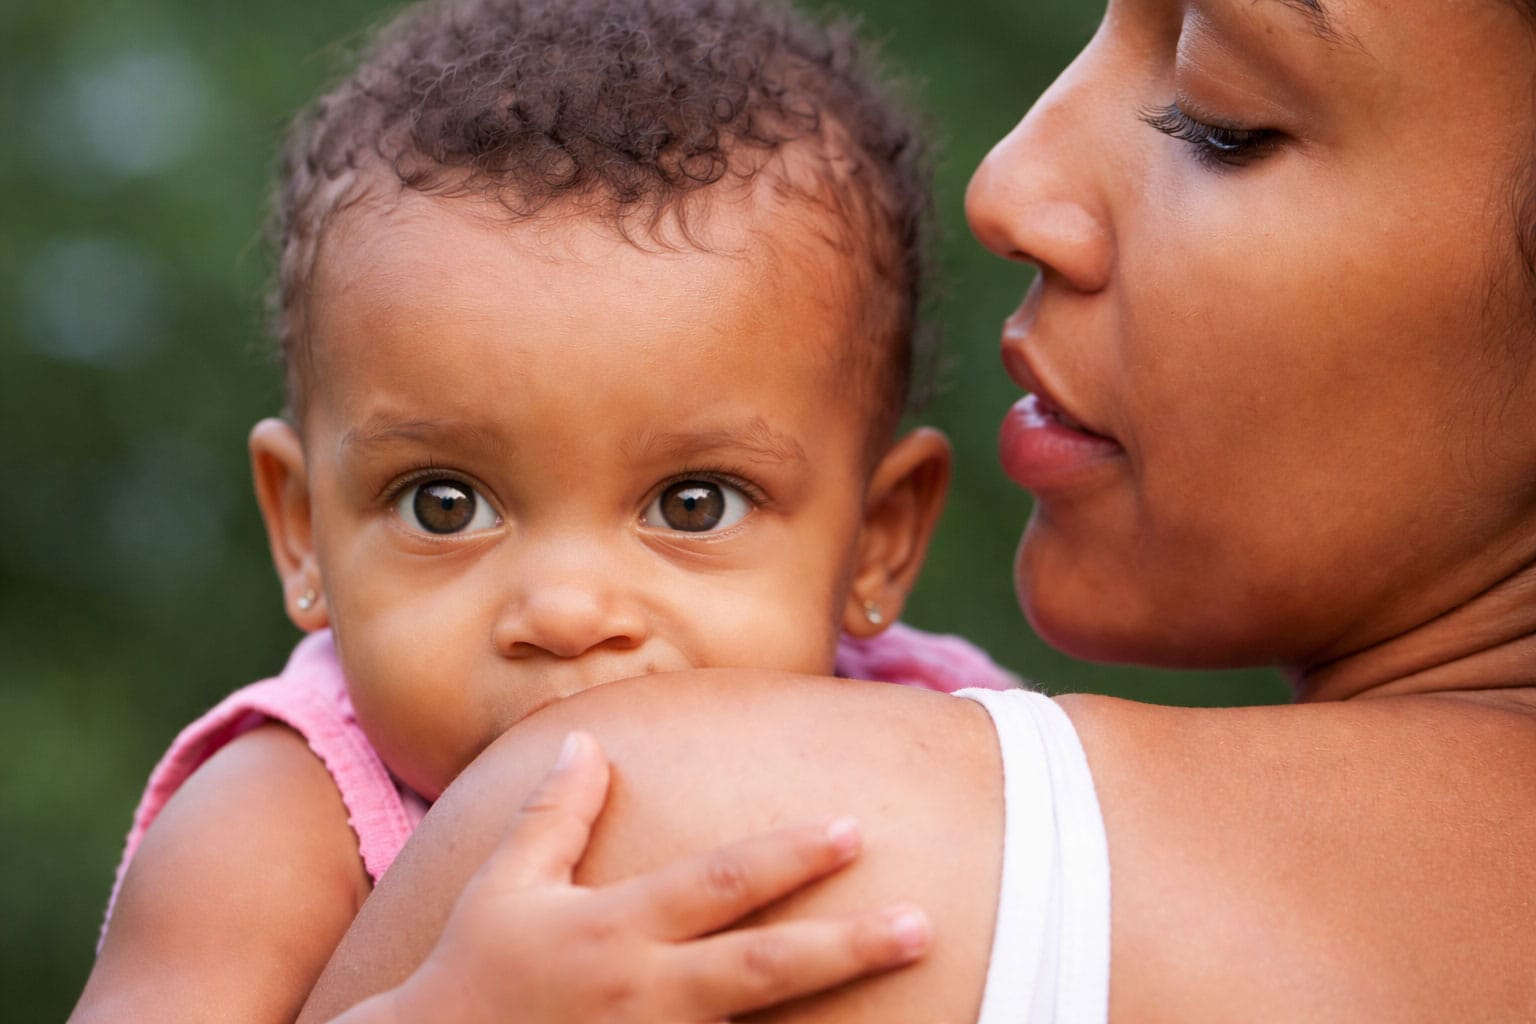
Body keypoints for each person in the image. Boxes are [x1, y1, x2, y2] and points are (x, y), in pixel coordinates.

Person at [289, 0, 1536, 1020]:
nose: (1005, 186)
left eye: (1219, 116)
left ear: (888, 530)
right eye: (445, 499)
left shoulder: (659, 834)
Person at [68, 0, 1024, 1019]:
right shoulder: (282, 824)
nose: (566, 612)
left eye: (693, 504)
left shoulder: (947, 732)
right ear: (304, 528)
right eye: (444, 504)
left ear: (878, 541)